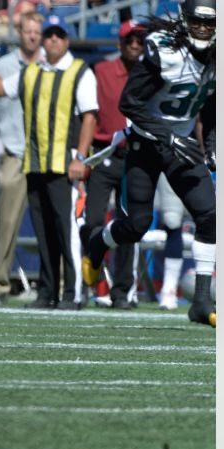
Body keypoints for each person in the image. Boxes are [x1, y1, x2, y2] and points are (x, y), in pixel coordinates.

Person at [84, 0, 216, 328]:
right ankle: (99, 242)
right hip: (146, 144)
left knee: (210, 215)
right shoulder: (165, 51)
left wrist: (212, 145)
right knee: (137, 225)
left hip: (181, 144)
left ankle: (200, 300)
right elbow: (129, 103)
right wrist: (169, 135)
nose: (203, 29)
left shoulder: (221, 56)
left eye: (210, 23)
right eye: (197, 22)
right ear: (185, 20)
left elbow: (212, 102)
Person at [0, 15, 98, 310]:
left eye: (58, 35)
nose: (52, 40)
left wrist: (81, 157)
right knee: (44, 230)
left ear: (67, 40)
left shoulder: (79, 71)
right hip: (35, 163)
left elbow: (89, 116)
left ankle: (74, 292)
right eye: (49, 35)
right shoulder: (31, 71)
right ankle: (47, 291)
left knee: (67, 230)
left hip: (65, 164)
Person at [83, 21, 146, 308]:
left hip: (135, 156)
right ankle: (92, 283)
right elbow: (88, 112)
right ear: (119, 43)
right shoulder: (101, 72)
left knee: (128, 225)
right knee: (93, 221)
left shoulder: (151, 73)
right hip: (102, 154)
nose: (134, 45)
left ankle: (122, 291)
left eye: (139, 40)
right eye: (129, 40)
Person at [0, 12, 42, 302]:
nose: (32, 35)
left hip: (47, 153)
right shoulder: (4, 66)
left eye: (37, 31)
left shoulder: (52, 64)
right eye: (27, 30)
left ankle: (55, 284)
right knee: (6, 220)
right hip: (15, 150)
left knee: (53, 223)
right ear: (18, 32)